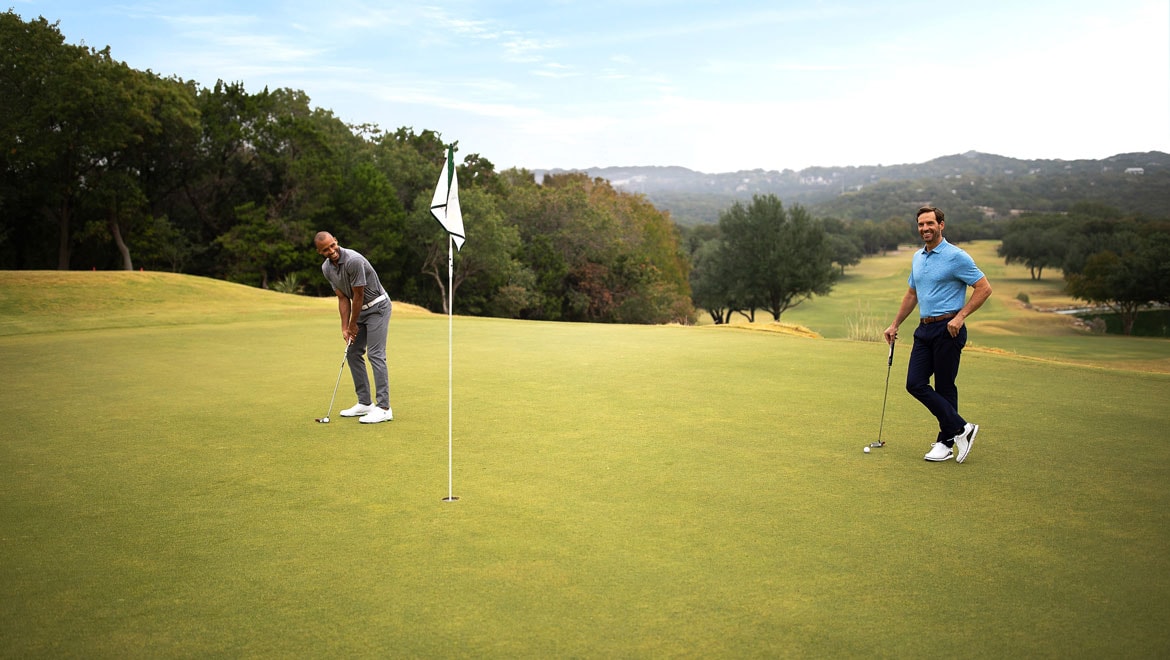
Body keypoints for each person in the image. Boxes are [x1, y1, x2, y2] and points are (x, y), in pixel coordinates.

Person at [883, 206, 992, 463]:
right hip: (924, 330)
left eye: (930, 223)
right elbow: (912, 294)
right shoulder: (918, 258)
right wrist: (895, 324)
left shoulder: (957, 257)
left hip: (948, 329)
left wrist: (960, 317)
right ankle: (961, 428)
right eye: (921, 224)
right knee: (915, 383)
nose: (925, 228)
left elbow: (984, 288)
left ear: (941, 224)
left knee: (944, 386)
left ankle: (945, 443)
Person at [314, 231, 394, 424]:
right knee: (352, 352)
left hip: (378, 307)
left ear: (336, 241)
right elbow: (343, 298)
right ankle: (365, 403)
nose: (331, 251)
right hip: (361, 311)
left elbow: (358, 295)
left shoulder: (353, 260)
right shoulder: (327, 269)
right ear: (320, 252)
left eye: (333, 245)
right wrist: (345, 328)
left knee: (375, 354)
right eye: (326, 249)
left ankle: (384, 408)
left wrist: (353, 325)